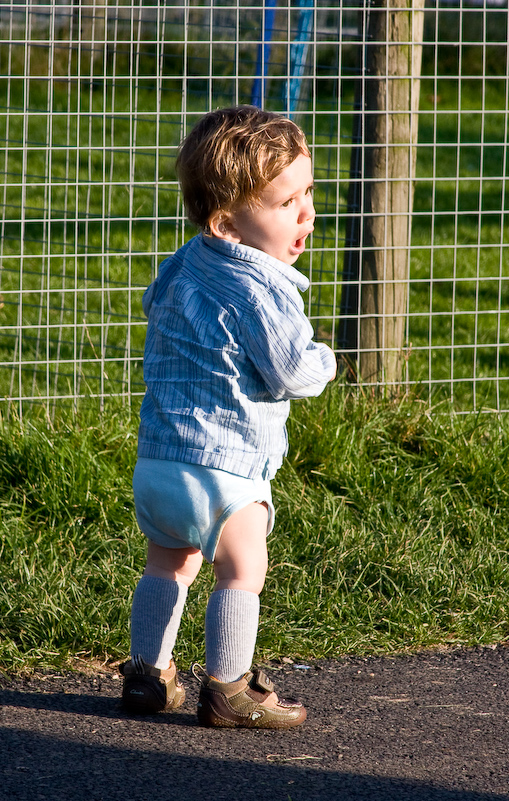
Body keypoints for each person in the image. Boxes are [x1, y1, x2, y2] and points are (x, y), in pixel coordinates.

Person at [118, 106, 336, 729]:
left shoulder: (182, 264)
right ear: (228, 222)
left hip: (160, 458)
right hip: (228, 469)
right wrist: (324, 360)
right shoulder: (264, 291)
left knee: (169, 562)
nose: (305, 215)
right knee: (242, 569)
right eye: (285, 203)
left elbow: (156, 309)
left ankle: (148, 676)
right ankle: (228, 689)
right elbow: (292, 372)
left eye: (307, 193)